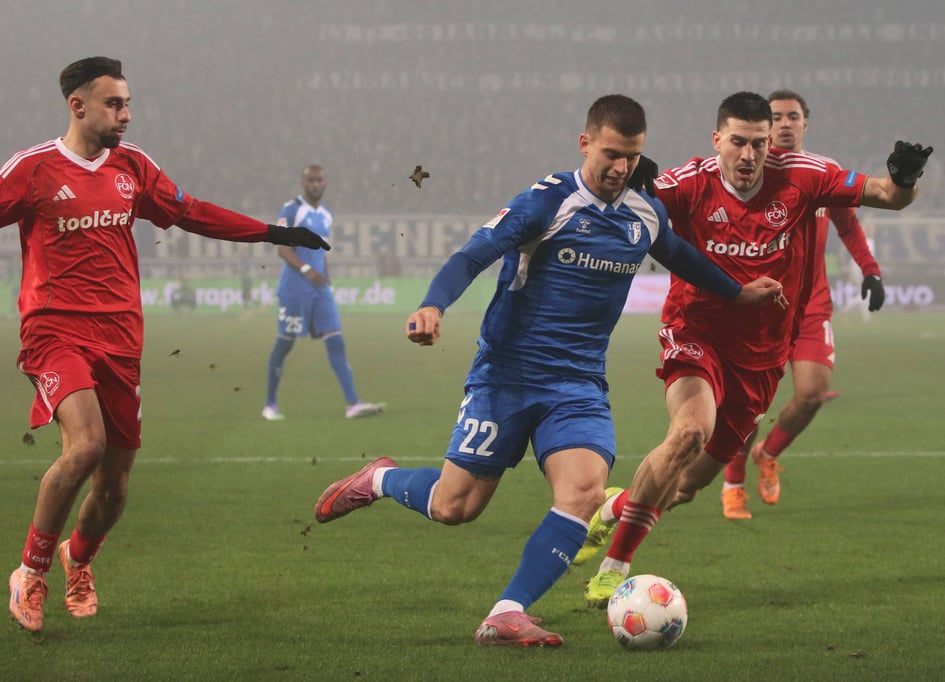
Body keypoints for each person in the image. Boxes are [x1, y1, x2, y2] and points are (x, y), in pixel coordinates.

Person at [312, 94, 785, 647]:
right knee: (455, 506)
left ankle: (507, 613)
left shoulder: (644, 213)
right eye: (611, 154)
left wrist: (738, 291)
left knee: (582, 493)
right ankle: (379, 479)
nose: (620, 168)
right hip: (506, 375)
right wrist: (433, 305)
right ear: (585, 144)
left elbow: (681, 255)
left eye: (631, 157)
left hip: (578, 383)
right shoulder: (547, 202)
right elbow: (472, 255)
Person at [3, 56, 329, 633]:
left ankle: (78, 557)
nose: (126, 114)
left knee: (114, 487)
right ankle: (30, 572)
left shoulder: (133, 167)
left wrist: (273, 232)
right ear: (77, 105)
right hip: (54, 332)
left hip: (121, 339)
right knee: (84, 448)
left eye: (127, 103)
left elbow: (191, 212)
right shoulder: (32, 170)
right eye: (114, 104)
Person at [578, 91, 931, 606]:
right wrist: (631, 185)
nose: (748, 156)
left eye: (759, 144)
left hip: (763, 353)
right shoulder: (691, 181)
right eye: (737, 142)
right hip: (696, 331)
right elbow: (627, 203)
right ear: (717, 140)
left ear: (771, 143)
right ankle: (615, 567)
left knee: (685, 485)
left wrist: (904, 177)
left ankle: (614, 511)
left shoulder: (805, 176)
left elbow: (889, 196)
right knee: (688, 432)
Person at [720, 89, 886, 520]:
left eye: (793, 116)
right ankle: (733, 483)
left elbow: (848, 224)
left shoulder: (820, 174)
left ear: (805, 123)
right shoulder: (751, 175)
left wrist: (870, 269)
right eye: (776, 118)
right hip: (762, 305)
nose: (785, 124)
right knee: (751, 405)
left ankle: (768, 453)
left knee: (811, 393)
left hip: (811, 304)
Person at [261, 165, 383, 421]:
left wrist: (326, 278)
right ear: (302, 183)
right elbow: (282, 249)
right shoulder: (292, 209)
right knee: (284, 345)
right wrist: (307, 270)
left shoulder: (328, 214)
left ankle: (353, 404)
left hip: (320, 289)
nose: (315, 184)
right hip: (295, 290)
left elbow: (321, 250)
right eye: (310, 180)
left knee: (336, 341)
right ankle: (270, 404)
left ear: (325, 183)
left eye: (319, 180)